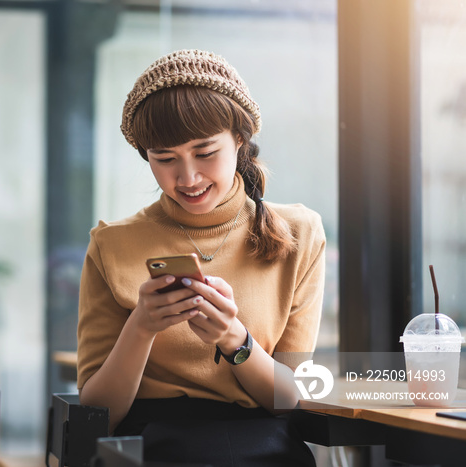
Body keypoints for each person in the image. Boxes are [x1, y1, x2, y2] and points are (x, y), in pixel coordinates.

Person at [76, 49, 325, 467]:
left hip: (262, 446)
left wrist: (234, 339)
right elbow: (98, 412)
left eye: (205, 152)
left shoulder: (299, 234)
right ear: (146, 157)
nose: (187, 178)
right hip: (149, 449)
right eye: (165, 159)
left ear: (240, 141)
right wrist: (141, 326)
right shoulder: (112, 245)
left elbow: (293, 398)